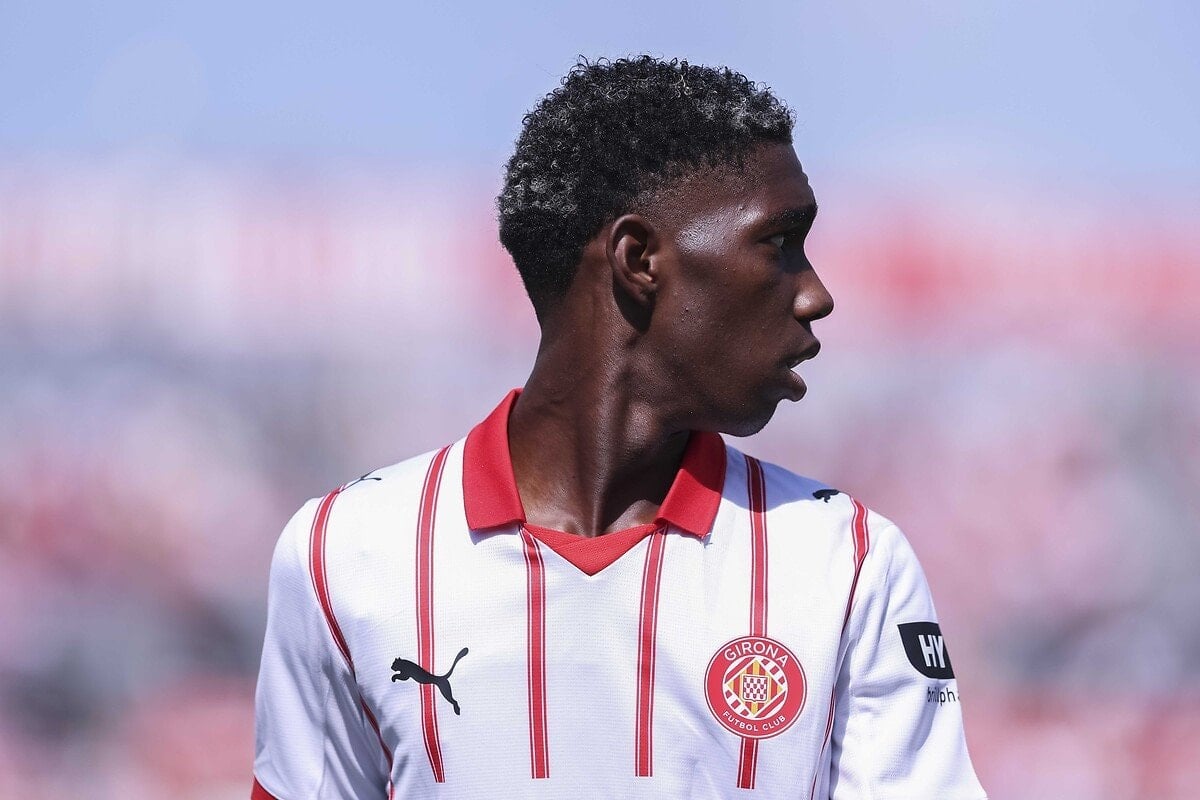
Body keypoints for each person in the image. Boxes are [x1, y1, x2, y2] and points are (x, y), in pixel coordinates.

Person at [250, 55, 987, 799]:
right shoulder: (344, 553)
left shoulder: (848, 562)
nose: (816, 294)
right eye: (779, 243)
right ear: (640, 260)